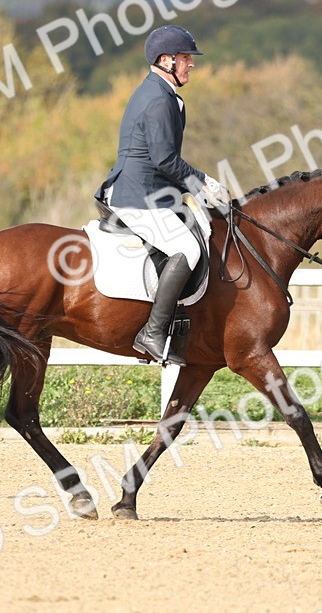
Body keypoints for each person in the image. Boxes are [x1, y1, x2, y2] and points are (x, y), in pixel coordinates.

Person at [94, 25, 230, 363]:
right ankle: (152, 333)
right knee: (186, 248)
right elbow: (165, 159)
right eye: (186, 58)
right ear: (166, 60)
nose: (191, 64)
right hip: (137, 195)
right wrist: (203, 183)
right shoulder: (157, 99)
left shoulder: (162, 93)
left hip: (151, 191)